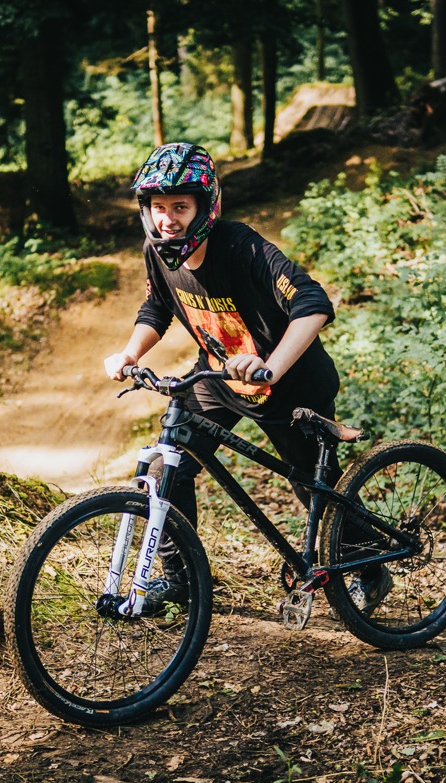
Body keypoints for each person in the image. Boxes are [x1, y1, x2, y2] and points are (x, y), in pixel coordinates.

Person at [103, 142, 392, 616]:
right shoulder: (157, 251)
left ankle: (371, 566)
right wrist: (130, 353)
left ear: (205, 207)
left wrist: (270, 366)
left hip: (292, 387)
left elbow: (313, 303)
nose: (168, 220)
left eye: (180, 207)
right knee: (166, 469)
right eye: (159, 208)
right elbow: (157, 306)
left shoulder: (242, 247)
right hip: (220, 379)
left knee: (313, 491)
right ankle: (180, 580)